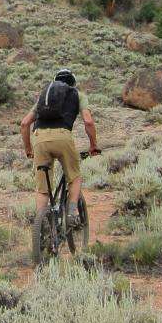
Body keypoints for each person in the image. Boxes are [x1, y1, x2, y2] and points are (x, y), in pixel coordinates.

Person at [20, 68, 100, 219]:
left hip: (40, 139)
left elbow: (24, 124)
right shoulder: (78, 94)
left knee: (43, 188)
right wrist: (93, 145)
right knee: (74, 176)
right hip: (63, 137)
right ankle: (72, 212)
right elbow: (88, 121)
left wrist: (28, 149)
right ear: (73, 83)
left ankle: (42, 223)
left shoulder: (44, 98)